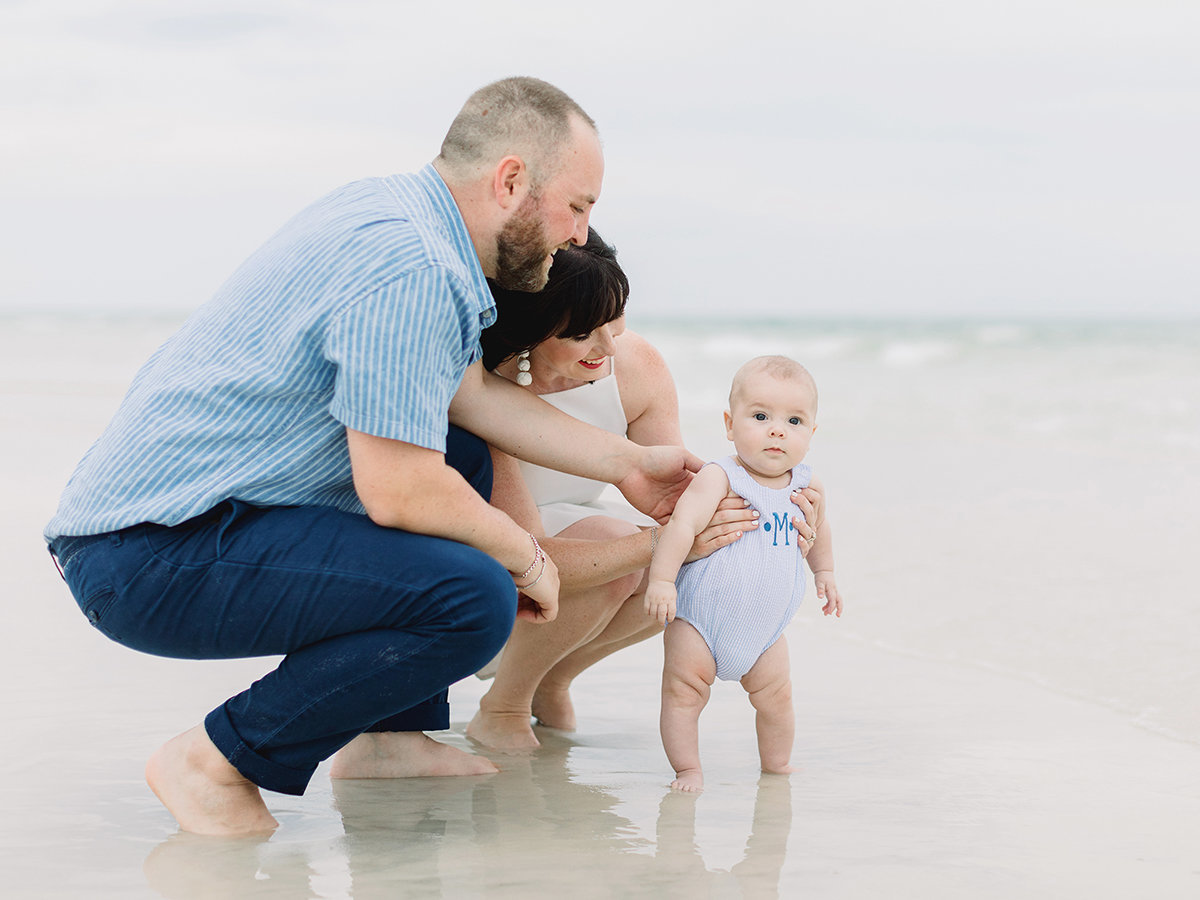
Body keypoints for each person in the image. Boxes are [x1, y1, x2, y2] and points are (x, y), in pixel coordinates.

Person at [43, 76, 700, 836]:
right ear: (511, 180)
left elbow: (472, 401)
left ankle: (387, 741)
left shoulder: (399, 216)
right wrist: (527, 555)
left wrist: (625, 464)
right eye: (578, 205)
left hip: (162, 531)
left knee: (459, 454)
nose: (582, 234)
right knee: (472, 597)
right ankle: (215, 759)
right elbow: (397, 490)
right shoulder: (413, 267)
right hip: (147, 555)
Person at [466, 229, 772, 750]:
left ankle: (552, 677)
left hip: (573, 524)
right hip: (495, 545)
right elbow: (527, 553)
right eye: (585, 331)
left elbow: (675, 496)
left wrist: (764, 496)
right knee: (622, 552)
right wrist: (652, 545)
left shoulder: (634, 366)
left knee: (692, 562)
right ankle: (502, 707)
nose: (608, 347)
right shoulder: (485, 388)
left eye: (615, 320)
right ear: (533, 327)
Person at [643, 356, 843, 792]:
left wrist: (824, 571)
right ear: (730, 425)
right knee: (683, 694)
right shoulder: (721, 477)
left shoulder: (807, 485)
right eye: (760, 416)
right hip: (700, 621)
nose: (777, 429)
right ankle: (688, 769)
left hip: (765, 632)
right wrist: (661, 580)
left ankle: (776, 765)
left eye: (794, 420)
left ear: (812, 433)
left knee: (778, 698)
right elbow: (682, 526)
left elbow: (819, 530)